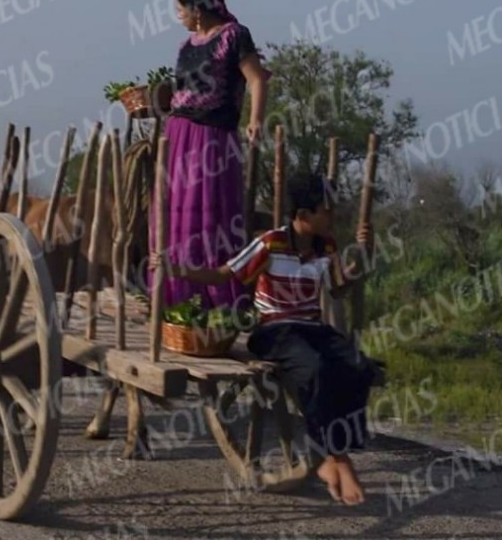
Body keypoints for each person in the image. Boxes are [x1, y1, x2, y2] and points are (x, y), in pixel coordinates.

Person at [149, 173, 377, 505]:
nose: (332, 217)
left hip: (312, 328)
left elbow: (338, 289)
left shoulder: (326, 246)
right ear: (303, 215)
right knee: (315, 371)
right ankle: (334, 458)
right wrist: (177, 269)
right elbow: (225, 273)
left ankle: (335, 452)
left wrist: (361, 258)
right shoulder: (271, 243)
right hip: (275, 331)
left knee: (361, 367)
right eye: (325, 211)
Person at [148, 0, 270, 313]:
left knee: (210, 215)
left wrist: (255, 120)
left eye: (180, 9)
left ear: (197, 9)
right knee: (172, 213)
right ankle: (173, 295)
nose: (178, 16)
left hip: (212, 137)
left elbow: (257, 79)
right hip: (178, 135)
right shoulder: (186, 46)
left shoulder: (234, 36)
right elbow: (182, 93)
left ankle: (212, 299)